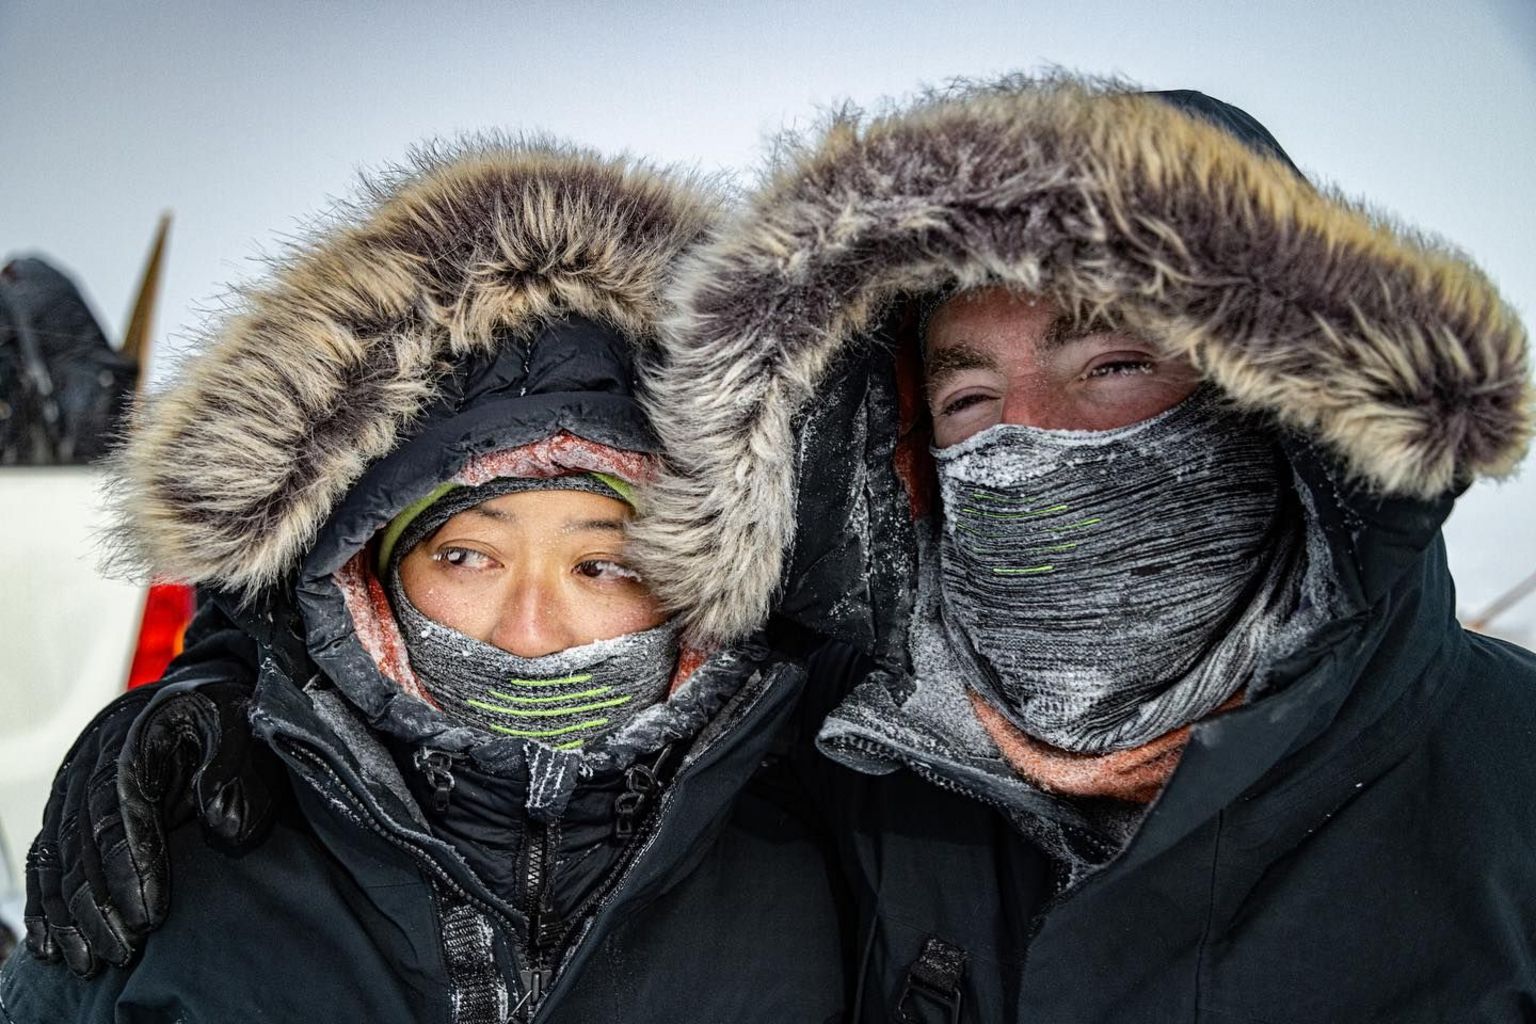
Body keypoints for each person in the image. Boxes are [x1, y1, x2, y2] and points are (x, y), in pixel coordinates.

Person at [631, 75, 1536, 1019]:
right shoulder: (839, 763)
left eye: (1112, 367)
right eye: (969, 400)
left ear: (1272, 396)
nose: (1028, 441)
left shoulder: (1508, 779)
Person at [1, 139, 850, 1023]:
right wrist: (226, 667)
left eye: (604, 566)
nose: (529, 630)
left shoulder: (828, 851)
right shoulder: (183, 875)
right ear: (366, 571)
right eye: (468, 556)